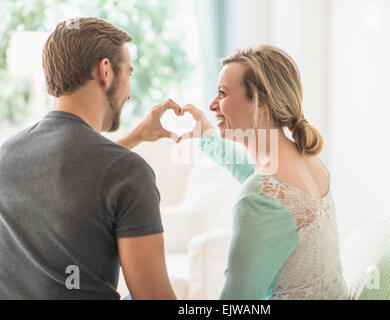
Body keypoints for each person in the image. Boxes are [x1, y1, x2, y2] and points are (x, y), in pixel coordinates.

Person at [0, 17, 179, 299]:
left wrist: (136, 137)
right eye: (129, 74)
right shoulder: (129, 173)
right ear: (105, 71)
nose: (130, 93)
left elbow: (69, 174)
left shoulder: (5, 156)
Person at [179, 45, 348, 299]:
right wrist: (208, 137)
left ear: (261, 102)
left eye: (222, 93)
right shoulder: (310, 161)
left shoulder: (259, 196)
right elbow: (259, 180)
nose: (213, 105)